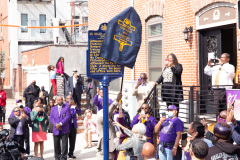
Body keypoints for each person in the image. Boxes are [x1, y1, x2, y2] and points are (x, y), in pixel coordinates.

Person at [96, 92, 122, 160]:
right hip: (105, 149)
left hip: (113, 148)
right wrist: (117, 100)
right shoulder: (101, 116)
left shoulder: (112, 119)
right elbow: (107, 113)